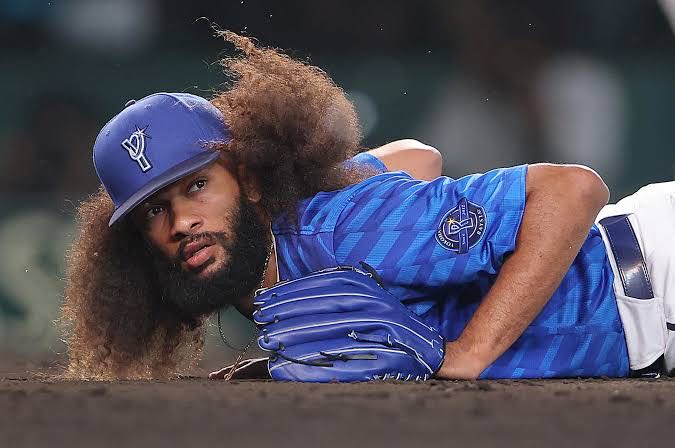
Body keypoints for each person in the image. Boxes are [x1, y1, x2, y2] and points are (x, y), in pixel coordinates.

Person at [61, 32, 674, 380]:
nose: (182, 222)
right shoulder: (279, 254)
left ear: (248, 180)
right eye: (154, 210)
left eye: (197, 186)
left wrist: (470, 352)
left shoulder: (344, 231)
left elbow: (571, 190)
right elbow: (419, 157)